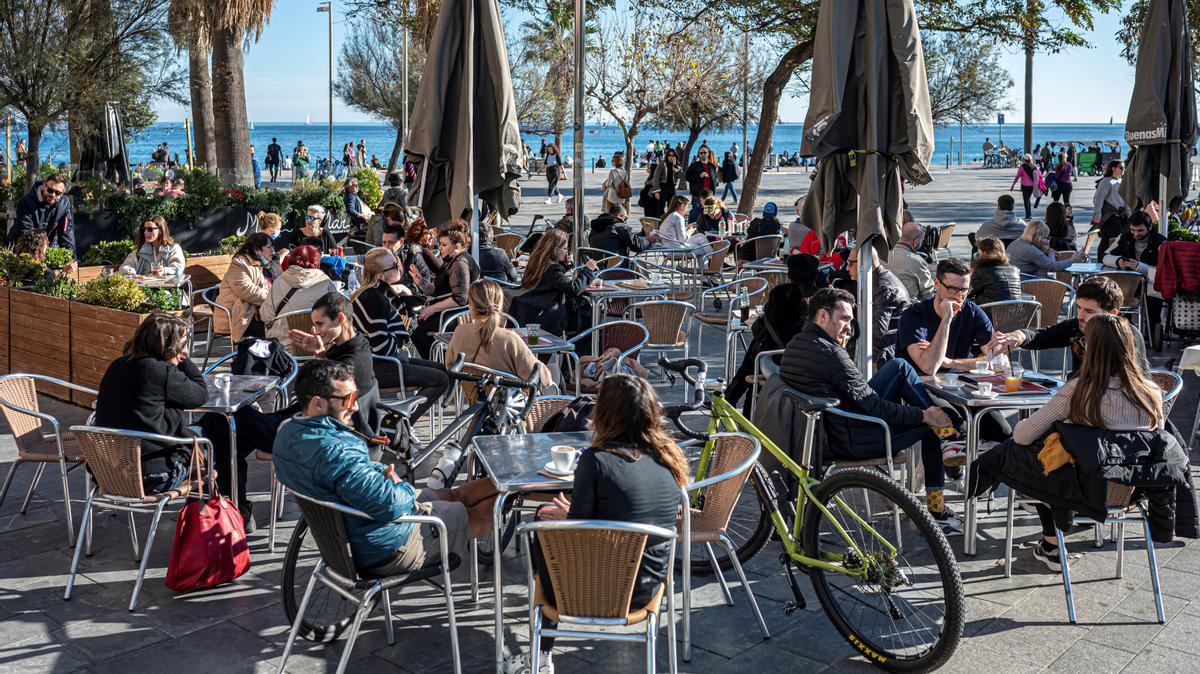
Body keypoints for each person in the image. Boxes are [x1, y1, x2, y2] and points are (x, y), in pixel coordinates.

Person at [970, 314, 1167, 571]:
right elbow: (1157, 439)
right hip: (1131, 489)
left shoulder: (1080, 390)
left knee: (1022, 449)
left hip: (1081, 487)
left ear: (1092, 347)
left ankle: (976, 487)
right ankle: (1049, 541)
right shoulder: (1151, 391)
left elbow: (1023, 435)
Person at [271, 359, 497, 578]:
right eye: (348, 399)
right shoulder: (337, 450)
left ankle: (506, 489)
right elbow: (391, 506)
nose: (356, 406)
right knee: (473, 515)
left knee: (449, 495)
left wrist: (378, 476)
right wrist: (402, 487)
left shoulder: (286, 435)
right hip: (386, 548)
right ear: (318, 403)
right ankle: (509, 500)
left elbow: (347, 482)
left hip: (349, 539)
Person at [525, 374, 686, 670]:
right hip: (645, 590)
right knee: (554, 522)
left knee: (542, 523)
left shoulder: (595, 460)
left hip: (591, 589)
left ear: (607, 413)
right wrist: (574, 517)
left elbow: (576, 534)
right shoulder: (669, 460)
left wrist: (565, 517)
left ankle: (542, 654)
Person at [780, 288, 958, 520]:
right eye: (844, 319)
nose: (849, 328)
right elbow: (875, 407)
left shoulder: (797, 343)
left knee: (899, 367)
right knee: (930, 427)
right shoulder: (832, 355)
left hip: (831, 428)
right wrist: (923, 416)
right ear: (822, 316)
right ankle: (938, 499)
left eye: (851, 321)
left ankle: (945, 431)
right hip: (852, 438)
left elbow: (861, 396)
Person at [94, 312, 208, 495]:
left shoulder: (118, 365)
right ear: (169, 345)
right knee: (215, 436)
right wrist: (183, 359)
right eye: (183, 344)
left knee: (196, 439)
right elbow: (200, 394)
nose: (185, 350)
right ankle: (209, 518)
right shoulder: (162, 372)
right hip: (153, 476)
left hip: (109, 474)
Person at [350, 249, 449, 424]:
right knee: (440, 379)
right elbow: (382, 347)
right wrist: (400, 347)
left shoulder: (380, 293)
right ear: (380, 275)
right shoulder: (372, 298)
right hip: (376, 367)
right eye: (394, 266)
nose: (399, 268)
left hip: (382, 361)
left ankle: (402, 419)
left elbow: (411, 309)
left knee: (444, 370)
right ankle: (402, 423)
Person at [989, 275, 1149, 378]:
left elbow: (1121, 385)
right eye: (1078, 307)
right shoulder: (1077, 326)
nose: (1080, 315)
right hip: (1078, 399)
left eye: (1089, 311)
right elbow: (1044, 336)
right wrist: (1019, 336)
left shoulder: (1126, 337)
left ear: (1112, 313)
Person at [725, 253, 823, 411]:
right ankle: (732, 397)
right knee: (761, 344)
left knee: (760, 345)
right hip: (810, 360)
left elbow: (762, 326)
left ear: (790, 274)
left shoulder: (781, 293)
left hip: (780, 360)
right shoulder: (822, 297)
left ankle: (732, 397)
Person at [446, 280, 553, 393]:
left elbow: (450, 365)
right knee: (553, 373)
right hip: (513, 406)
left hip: (476, 399)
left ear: (471, 305)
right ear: (499, 304)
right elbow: (537, 376)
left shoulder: (460, 332)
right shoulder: (509, 339)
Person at [412, 222, 481, 358]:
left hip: (458, 316)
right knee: (417, 328)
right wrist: (421, 283)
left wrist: (432, 309)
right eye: (440, 244)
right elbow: (437, 290)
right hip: (448, 313)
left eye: (444, 245)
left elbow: (460, 298)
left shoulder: (460, 263)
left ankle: (439, 367)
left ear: (456, 246)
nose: (440, 248)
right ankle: (439, 364)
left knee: (417, 333)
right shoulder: (451, 260)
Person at [513, 229, 598, 337]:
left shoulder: (537, 262)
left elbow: (551, 281)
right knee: (585, 314)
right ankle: (579, 349)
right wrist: (588, 270)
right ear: (555, 249)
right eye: (565, 248)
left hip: (532, 310)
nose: (567, 252)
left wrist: (565, 266)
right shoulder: (553, 269)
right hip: (547, 316)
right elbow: (574, 289)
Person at [836, 245, 910, 365]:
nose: (846, 268)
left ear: (864, 263)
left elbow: (876, 332)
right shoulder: (875, 279)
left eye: (850, 263)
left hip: (884, 353)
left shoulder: (882, 288)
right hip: (885, 346)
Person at [259, 245, 339, 349]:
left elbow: (266, 316)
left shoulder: (279, 281)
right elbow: (337, 315)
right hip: (319, 345)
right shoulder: (325, 282)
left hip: (285, 346)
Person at [1101, 210, 1165, 336]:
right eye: (1133, 230)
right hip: (1128, 284)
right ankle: (1124, 331)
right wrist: (1118, 261)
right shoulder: (1124, 237)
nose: (1135, 234)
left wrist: (1139, 267)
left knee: (1152, 303)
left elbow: (1163, 270)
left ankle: (1151, 334)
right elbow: (1104, 256)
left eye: (1140, 230)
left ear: (1150, 227)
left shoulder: (1161, 242)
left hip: (1151, 284)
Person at [215, 232, 276, 342]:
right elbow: (248, 291)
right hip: (238, 315)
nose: (273, 250)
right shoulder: (239, 264)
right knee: (276, 329)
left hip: (251, 311)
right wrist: (274, 297)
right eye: (269, 247)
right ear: (257, 250)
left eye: (273, 246)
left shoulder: (259, 264)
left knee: (281, 322)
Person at [6, 173, 76, 266]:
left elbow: (66, 233)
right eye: (50, 190)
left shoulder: (64, 203)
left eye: (58, 193)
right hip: (21, 246)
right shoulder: (26, 202)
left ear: (63, 193)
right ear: (44, 186)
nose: (53, 195)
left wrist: (71, 259)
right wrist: (37, 259)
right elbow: (26, 232)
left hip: (45, 248)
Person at [1007, 219, 1082, 277]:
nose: (1046, 240)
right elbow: (1053, 267)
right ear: (1039, 237)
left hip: (1017, 280)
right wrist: (1072, 260)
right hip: (1026, 284)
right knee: (1061, 286)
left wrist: (1048, 250)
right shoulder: (1030, 249)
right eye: (1045, 237)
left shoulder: (1019, 242)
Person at [119, 216, 185, 277]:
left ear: (160, 231)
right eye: (144, 229)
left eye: (150, 229)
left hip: (167, 287)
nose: (146, 232)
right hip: (144, 287)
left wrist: (165, 270)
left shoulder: (173, 249)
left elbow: (178, 268)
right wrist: (132, 273)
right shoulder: (140, 251)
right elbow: (124, 267)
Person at [886, 220, 935, 300]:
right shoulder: (917, 262)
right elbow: (928, 294)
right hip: (908, 307)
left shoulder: (883, 256)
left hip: (884, 305)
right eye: (922, 240)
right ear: (915, 242)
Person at [969, 236, 1022, 305]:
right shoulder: (1014, 270)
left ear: (984, 253)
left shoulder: (982, 271)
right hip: (1017, 312)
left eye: (978, 253)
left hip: (990, 312)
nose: (977, 255)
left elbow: (969, 292)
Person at [1092, 159, 1129, 253]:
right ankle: (1115, 258)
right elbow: (1098, 198)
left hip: (1119, 216)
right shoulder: (1106, 181)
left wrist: (1129, 214)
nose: (1123, 170)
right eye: (1121, 168)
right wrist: (1097, 213)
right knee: (1120, 237)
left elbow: (1125, 201)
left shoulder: (1121, 181)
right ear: (1113, 168)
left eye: (1124, 168)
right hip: (1108, 216)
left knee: (1105, 239)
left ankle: (1102, 259)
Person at [685, 146, 720, 223]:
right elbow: (687, 177)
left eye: (705, 152)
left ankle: (707, 230)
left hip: (709, 195)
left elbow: (714, 178)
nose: (703, 154)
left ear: (708, 153)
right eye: (701, 153)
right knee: (697, 215)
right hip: (697, 195)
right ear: (699, 155)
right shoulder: (694, 165)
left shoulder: (712, 166)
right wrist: (699, 176)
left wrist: (714, 188)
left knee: (709, 216)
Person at [651, 148, 683, 217]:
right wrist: (656, 191)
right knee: (660, 209)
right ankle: (659, 225)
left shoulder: (677, 166)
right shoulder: (662, 164)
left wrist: (675, 166)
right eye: (669, 155)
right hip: (663, 188)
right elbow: (656, 177)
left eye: (673, 155)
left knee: (672, 208)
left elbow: (680, 176)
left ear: (675, 156)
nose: (671, 157)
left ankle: (669, 224)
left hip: (672, 188)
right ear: (667, 156)